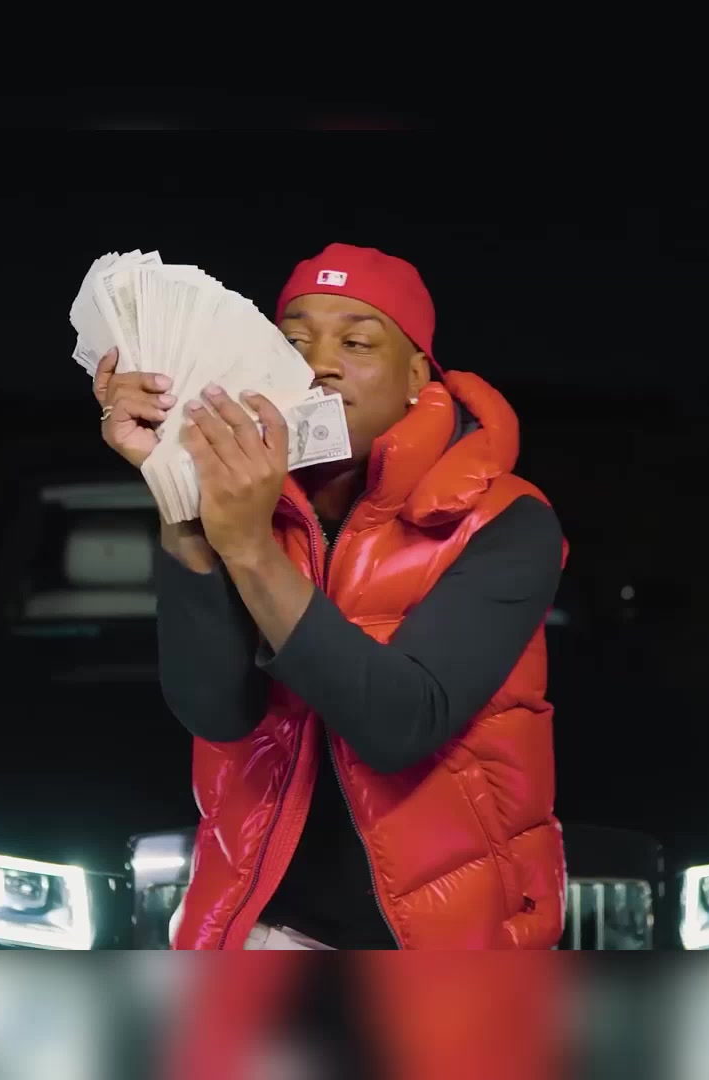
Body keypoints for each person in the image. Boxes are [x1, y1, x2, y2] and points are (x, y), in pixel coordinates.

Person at [94, 242, 568, 950]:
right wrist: (178, 494)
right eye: (295, 343)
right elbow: (216, 712)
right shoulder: (248, 500)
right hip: (265, 925)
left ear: (417, 377)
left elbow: (400, 724)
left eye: (357, 341)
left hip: (447, 942)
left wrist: (251, 551)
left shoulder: (504, 519)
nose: (320, 364)